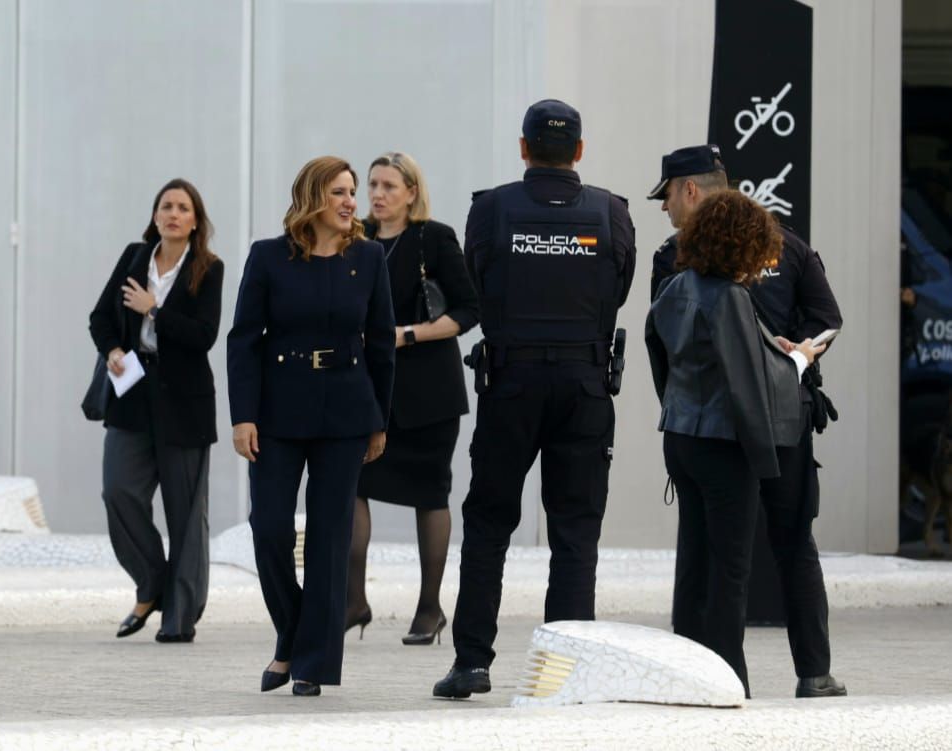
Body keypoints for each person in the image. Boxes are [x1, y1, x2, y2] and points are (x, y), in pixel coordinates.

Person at [433, 99, 637, 699]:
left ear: (523, 148)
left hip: (511, 383)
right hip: (584, 383)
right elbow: (619, 290)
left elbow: (474, 280)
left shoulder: (490, 209)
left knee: (490, 523)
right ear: (578, 151)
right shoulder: (611, 211)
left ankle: (472, 662)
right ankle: (565, 674)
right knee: (575, 529)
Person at [648, 145, 847, 699]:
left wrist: (681, 404)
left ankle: (698, 669)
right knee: (768, 552)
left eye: (666, 194)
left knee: (702, 553)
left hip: (699, 429)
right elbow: (754, 363)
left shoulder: (675, 269)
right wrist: (796, 359)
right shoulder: (742, 278)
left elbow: (662, 346)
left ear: (690, 192)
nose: (665, 206)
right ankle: (787, 674)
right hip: (754, 432)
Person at [227, 156, 395, 697]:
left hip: (346, 412)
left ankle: (309, 665)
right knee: (269, 528)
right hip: (278, 412)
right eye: (340, 192)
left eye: (353, 192)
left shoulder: (369, 258)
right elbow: (244, 340)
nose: (352, 201)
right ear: (311, 199)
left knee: (329, 539)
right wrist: (242, 416)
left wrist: (379, 420)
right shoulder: (269, 257)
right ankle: (293, 633)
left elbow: (382, 344)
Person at [345, 152, 479, 644]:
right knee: (352, 486)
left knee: (429, 493)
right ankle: (353, 600)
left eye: (389, 186)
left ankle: (429, 607)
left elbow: (468, 310)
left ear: (411, 193)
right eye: (373, 185)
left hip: (428, 393)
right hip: (368, 391)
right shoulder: (354, 239)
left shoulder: (433, 237)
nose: (377, 194)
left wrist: (408, 336)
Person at [89, 178, 224, 644]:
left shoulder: (208, 267)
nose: (172, 213)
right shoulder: (134, 257)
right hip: (133, 395)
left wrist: (154, 310)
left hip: (184, 401)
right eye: (165, 206)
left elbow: (203, 335)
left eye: (182, 207)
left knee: (186, 513)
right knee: (118, 491)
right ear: (154, 215)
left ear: (194, 220)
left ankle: (179, 619)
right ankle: (152, 582)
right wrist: (110, 350)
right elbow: (100, 317)